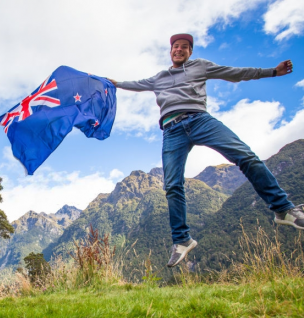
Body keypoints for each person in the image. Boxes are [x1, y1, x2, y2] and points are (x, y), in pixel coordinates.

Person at [109, 33, 303, 268]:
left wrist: (272, 71)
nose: (179, 49)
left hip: (200, 120)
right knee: (172, 185)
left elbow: (235, 73)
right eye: (175, 47)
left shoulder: (200, 67)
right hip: (171, 130)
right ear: (170, 52)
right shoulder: (159, 77)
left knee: (246, 157)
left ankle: (283, 209)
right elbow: (135, 85)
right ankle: (182, 240)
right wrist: (114, 83)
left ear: (190, 52)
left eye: (184, 47)